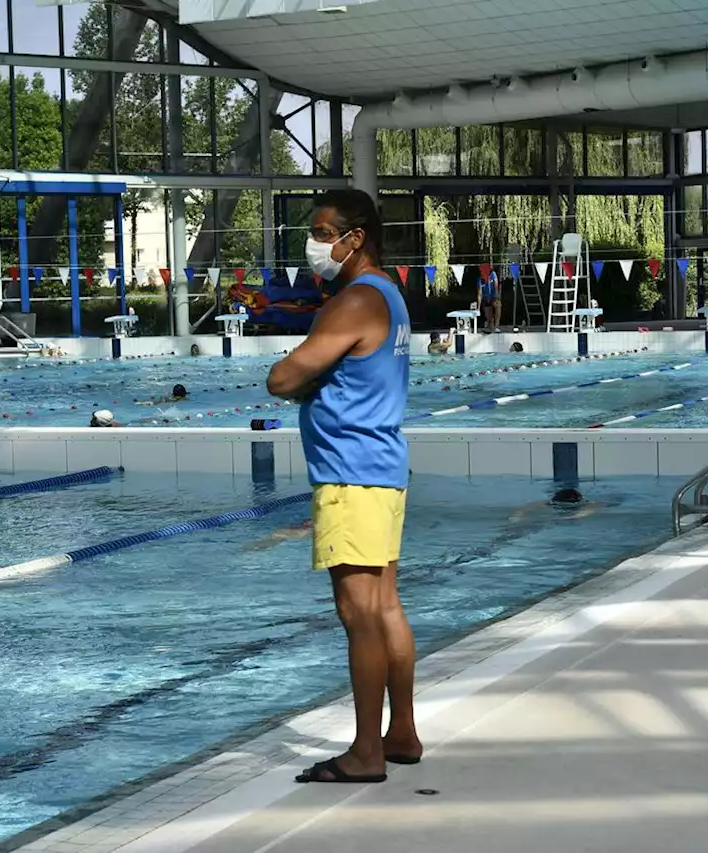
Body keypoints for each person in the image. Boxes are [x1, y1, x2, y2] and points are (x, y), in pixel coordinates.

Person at [266, 188, 421, 785]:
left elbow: (283, 377)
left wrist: (302, 379)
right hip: (382, 468)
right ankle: (400, 732)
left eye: (324, 232)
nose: (315, 244)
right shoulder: (389, 294)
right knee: (385, 608)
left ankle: (366, 752)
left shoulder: (354, 300)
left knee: (360, 616)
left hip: (349, 475)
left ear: (355, 238)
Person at [480, 267, 501, 333]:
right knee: (489, 316)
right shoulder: (480, 279)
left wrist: (496, 296)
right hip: (486, 298)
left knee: (498, 305)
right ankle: (490, 326)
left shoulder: (493, 274)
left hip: (493, 296)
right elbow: (479, 293)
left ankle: (496, 326)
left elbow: (496, 285)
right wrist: (478, 306)